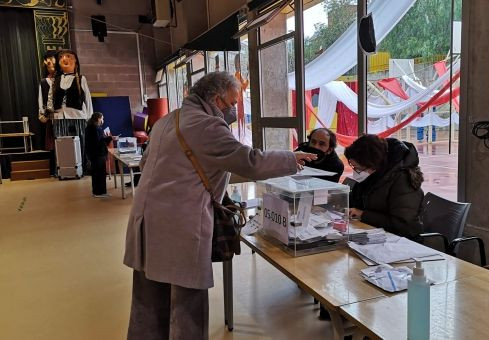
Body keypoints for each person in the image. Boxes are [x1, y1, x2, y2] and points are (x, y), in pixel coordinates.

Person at [123, 72, 316, 340]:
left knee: (147, 304)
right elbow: (249, 161)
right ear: (216, 99)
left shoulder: (167, 120)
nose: (235, 109)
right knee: (187, 306)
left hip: (144, 222)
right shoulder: (206, 125)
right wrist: (290, 158)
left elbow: (148, 165)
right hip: (179, 227)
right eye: (233, 102)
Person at [345, 135, 424, 240]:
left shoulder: (403, 180)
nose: (356, 172)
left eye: (359, 169)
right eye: (354, 167)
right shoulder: (373, 175)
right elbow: (357, 200)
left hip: (399, 243)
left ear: (373, 164)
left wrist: (363, 214)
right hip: (372, 234)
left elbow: (404, 226)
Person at [37, 50, 58, 175]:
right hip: (50, 117)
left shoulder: (62, 79)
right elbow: (40, 98)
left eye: (51, 59)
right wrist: (42, 113)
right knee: (53, 144)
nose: (49, 62)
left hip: (62, 116)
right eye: (47, 60)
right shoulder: (44, 82)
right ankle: (55, 169)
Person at [84, 112, 112, 197]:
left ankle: (100, 192)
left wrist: (106, 138)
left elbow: (99, 140)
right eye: (102, 118)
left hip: (95, 154)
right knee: (99, 173)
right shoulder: (94, 128)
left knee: (99, 173)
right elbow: (98, 142)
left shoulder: (92, 127)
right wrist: (109, 138)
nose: (103, 120)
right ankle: (98, 192)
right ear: (98, 119)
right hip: (97, 154)